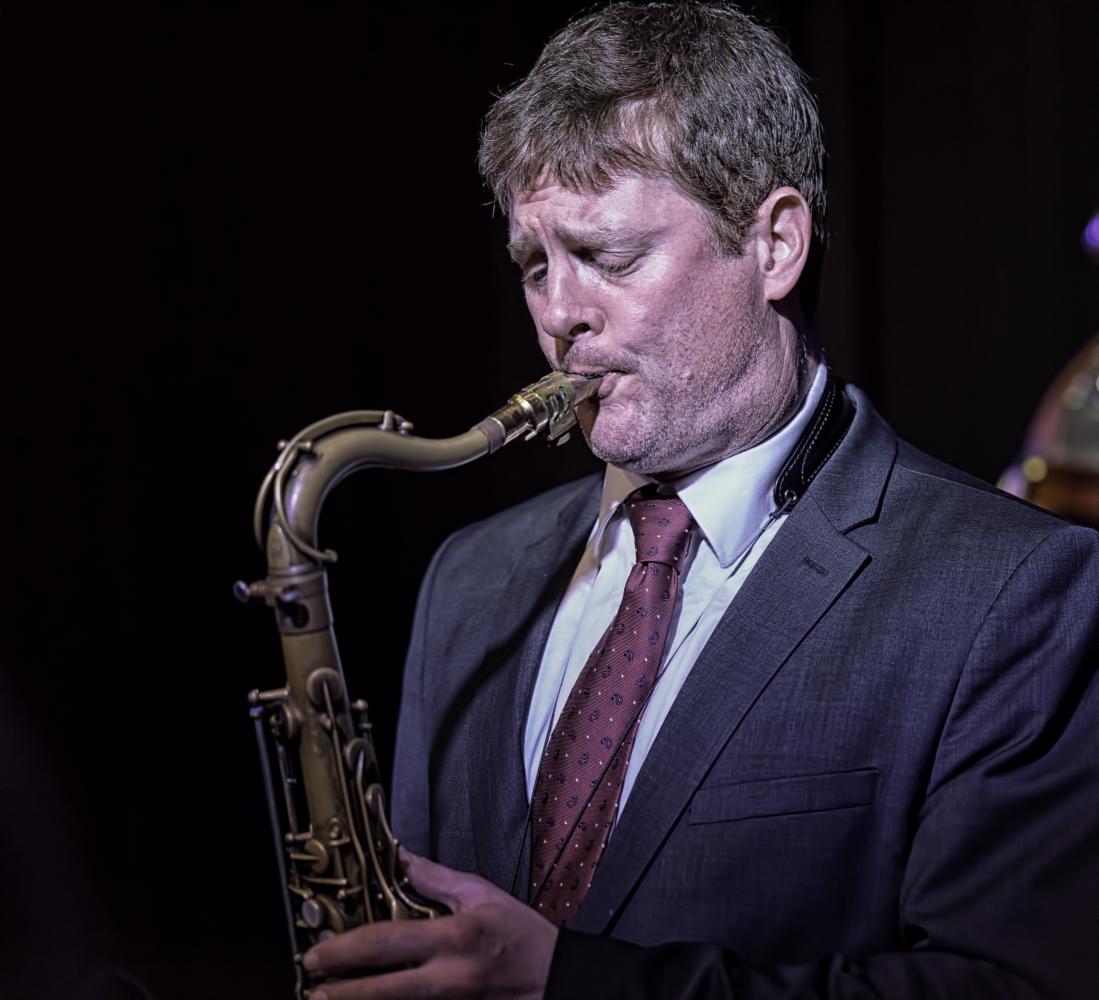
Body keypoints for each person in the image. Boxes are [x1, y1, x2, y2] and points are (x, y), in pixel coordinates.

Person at [302, 4, 1099, 998]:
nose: (559, 313)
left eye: (611, 257)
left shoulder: (1013, 590)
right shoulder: (469, 578)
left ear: (773, 244)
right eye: (534, 265)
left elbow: (1011, 988)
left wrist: (566, 983)